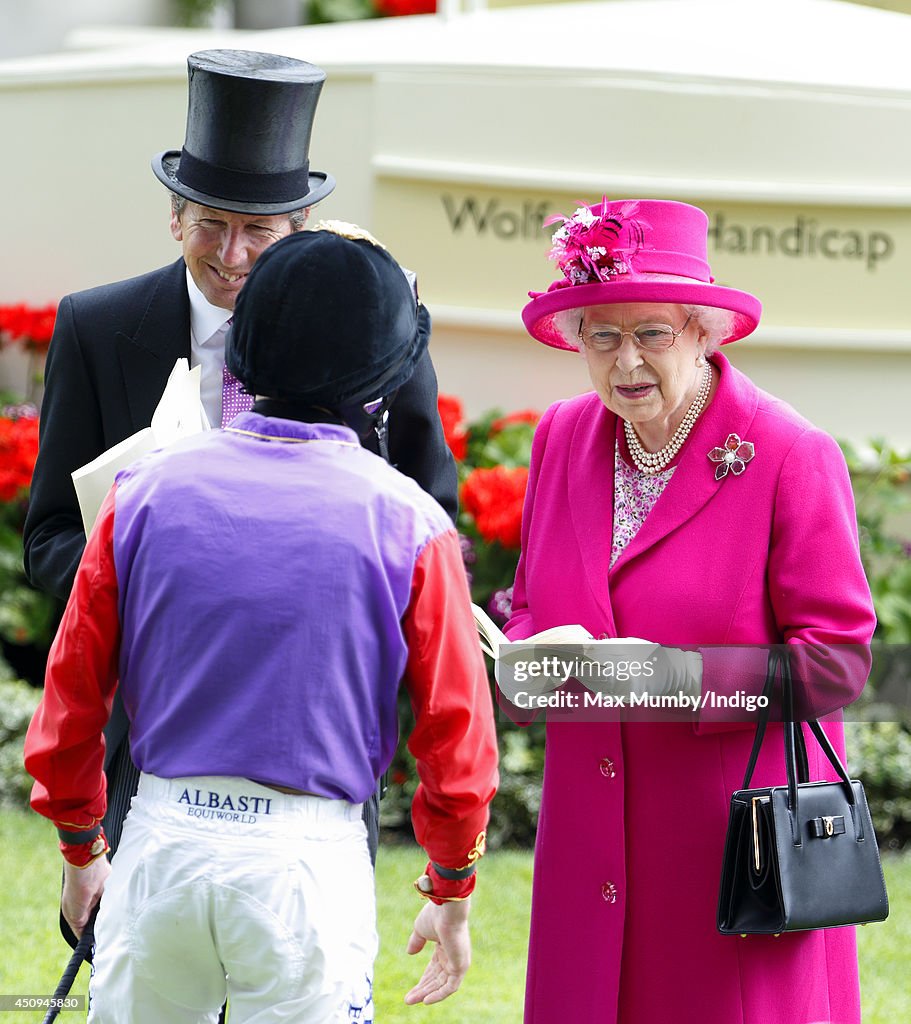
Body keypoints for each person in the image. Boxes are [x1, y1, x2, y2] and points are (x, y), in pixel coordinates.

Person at [22, 48, 457, 923]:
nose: (232, 254)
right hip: (151, 736)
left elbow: (432, 515)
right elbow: (48, 545)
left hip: (316, 741)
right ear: (172, 215)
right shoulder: (98, 327)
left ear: (299, 229)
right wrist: (159, 575)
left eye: (259, 232)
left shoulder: (378, 330)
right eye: (211, 224)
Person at [24, 226, 498, 1023]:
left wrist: (82, 849)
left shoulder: (141, 491)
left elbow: (71, 690)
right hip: (304, 864)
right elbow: (455, 732)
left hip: (163, 840)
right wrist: (450, 885)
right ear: (377, 377)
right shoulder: (411, 521)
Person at [505, 198, 876, 1023]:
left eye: (652, 333)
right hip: (588, 838)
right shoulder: (562, 437)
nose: (625, 360)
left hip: (728, 853)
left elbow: (837, 662)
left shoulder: (786, 453)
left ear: (703, 331)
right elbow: (530, 602)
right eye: (601, 335)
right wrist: (526, 655)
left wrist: (668, 680)